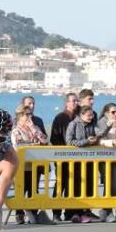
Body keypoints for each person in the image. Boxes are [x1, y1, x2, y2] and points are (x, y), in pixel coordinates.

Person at [11, 104, 51, 224]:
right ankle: (19, 214)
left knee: (33, 189)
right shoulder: (16, 130)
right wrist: (34, 145)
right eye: (27, 114)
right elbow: (19, 146)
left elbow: (45, 141)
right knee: (21, 190)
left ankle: (34, 212)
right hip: (22, 166)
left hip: (35, 165)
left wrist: (33, 129)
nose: (30, 117)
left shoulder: (36, 127)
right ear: (20, 116)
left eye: (30, 114)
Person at [65, 105, 99, 223]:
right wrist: (86, 141)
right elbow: (69, 141)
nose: (91, 117)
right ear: (81, 115)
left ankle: (84, 212)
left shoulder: (92, 124)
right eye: (89, 115)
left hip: (89, 160)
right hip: (75, 161)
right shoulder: (73, 124)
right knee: (76, 186)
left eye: (92, 115)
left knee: (87, 186)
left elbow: (98, 135)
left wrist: (96, 139)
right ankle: (74, 212)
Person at [49, 92, 79, 221]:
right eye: (72, 101)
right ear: (66, 102)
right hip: (62, 156)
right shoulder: (60, 117)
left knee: (75, 184)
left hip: (77, 157)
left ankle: (71, 212)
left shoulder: (79, 117)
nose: (75, 103)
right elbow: (54, 138)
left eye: (76, 101)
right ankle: (56, 212)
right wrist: (64, 151)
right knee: (61, 183)